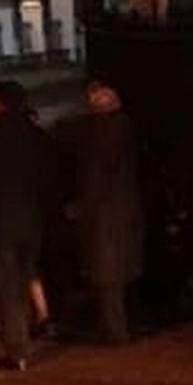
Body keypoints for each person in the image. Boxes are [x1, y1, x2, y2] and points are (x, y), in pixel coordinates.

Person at [0, 80, 56, 371]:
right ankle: (29, 329)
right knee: (25, 276)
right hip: (32, 219)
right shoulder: (37, 136)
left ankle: (17, 349)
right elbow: (50, 180)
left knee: (6, 287)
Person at [66, 80, 144, 345]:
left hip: (103, 214)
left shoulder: (96, 134)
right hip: (123, 211)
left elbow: (93, 177)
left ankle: (115, 329)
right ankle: (117, 324)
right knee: (117, 276)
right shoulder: (126, 128)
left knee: (106, 276)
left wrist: (80, 206)